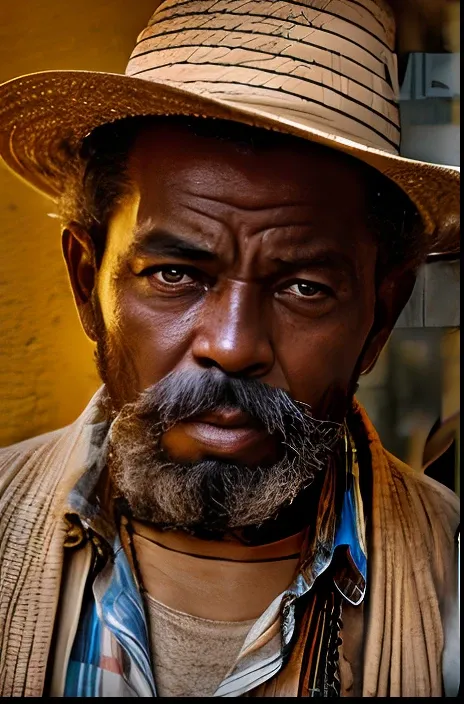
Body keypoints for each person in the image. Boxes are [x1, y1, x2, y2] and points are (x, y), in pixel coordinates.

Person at [0, 0, 460, 698]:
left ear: (380, 317)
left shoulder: (451, 575)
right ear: (86, 280)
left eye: (304, 287)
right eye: (176, 275)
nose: (233, 345)